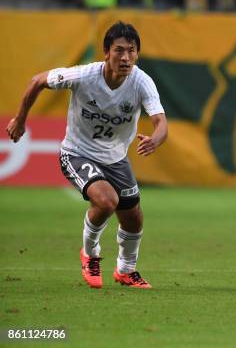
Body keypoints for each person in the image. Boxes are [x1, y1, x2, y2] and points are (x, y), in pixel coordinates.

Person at [6, 21, 168, 289]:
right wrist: (20, 120)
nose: (125, 57)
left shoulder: (142, 82)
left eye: (131, 51)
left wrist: (156, 139)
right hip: (77, 153)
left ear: (137, 54)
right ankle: (90, 255)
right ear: (106, 52)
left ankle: (126, 271)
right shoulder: (84, 75)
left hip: (116, 158)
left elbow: (161, 122)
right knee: (106, 201)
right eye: (119, 50)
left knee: (133, 217)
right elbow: (37, 81)